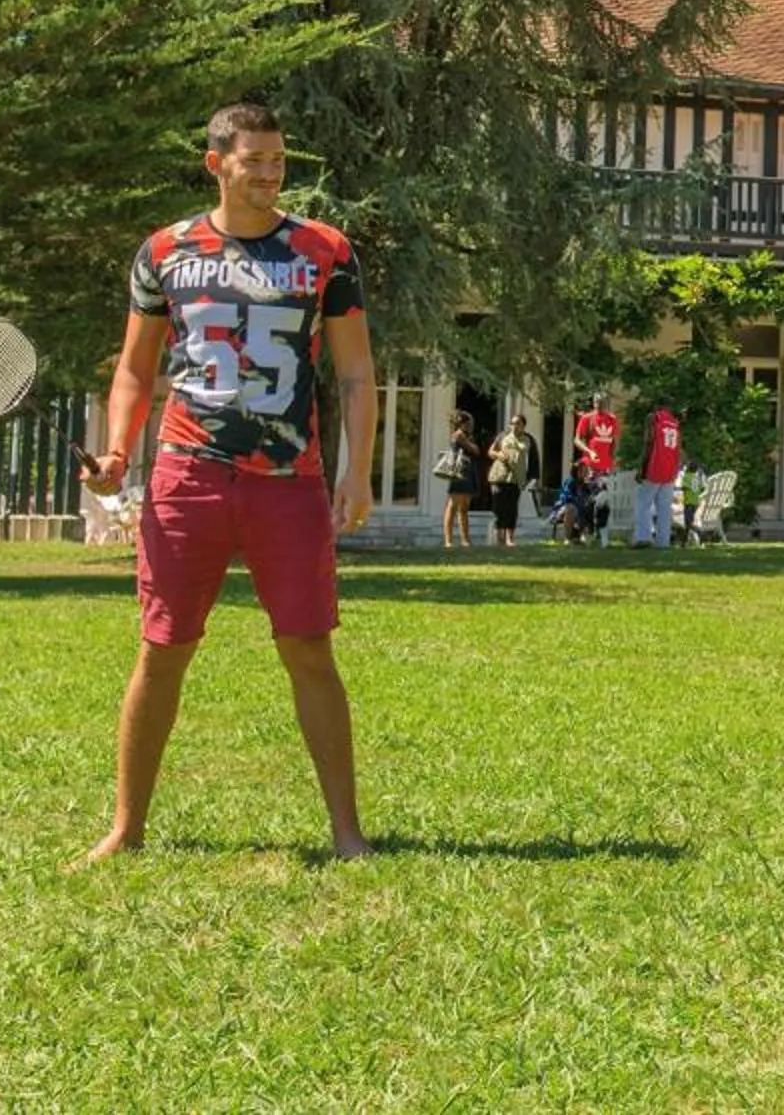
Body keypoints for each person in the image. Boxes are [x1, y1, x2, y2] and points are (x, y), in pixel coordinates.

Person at [80, 102, 376, 864]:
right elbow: (134, 370)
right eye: (255, 162)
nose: (271, 175)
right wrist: (117, 452)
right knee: (162, 648)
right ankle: (126, 828)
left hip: (289, 480)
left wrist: (359, 472)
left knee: (309, 647)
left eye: (279, 162)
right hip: (188, 476)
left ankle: (348, 834)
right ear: (217, 164)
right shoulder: (165, 252)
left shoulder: (325, 251)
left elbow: (354, 371)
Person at [636, 404, 683, 548]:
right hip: (670, 469)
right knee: (664, 508)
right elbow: (678, 448)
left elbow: (648, 443)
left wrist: (642, 467)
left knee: (643, 504)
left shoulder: (653, 418)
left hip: (656, 466)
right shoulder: (675, 423)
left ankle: (644, 538)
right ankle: (663, 542)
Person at [489, 414, 537, 546]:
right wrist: (498, 454)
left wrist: (532, 477)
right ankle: (500, 537)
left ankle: (509, 539)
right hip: (499, 476)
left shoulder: (528, 439)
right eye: (512, 423)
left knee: (512, 509)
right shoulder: (502, 436)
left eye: (518, 423)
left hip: (516, 478)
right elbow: (490, 451)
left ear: (523, 426)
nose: (514, 426)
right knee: (499, 508)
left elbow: (530, 455)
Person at [439, 411, 484, 549]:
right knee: (452, 506)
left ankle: (465, 539)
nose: (471, 426)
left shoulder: (467, 436)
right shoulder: (459, 435)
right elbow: (474, 450)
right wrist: (471, 445)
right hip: (459, 472)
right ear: (462, 423)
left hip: (468, 472)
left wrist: (473, 445)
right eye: (469, 423)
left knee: (464, 508)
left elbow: (476, 450)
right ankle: (448, 540)